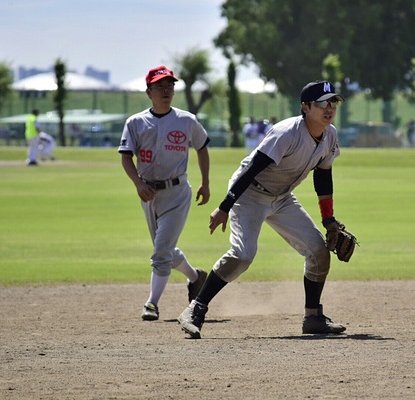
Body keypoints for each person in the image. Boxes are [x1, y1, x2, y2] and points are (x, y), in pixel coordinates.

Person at [178, 80, 348, 339]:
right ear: (305, 107)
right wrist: (225, 207)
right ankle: (195, 309)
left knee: (318, 251)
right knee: (243, 255)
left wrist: (329, 219)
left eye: (333, 102)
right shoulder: (287, 132)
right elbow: (252, 168)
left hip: (281, 197)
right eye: (323, 103)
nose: (330, 108)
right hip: (249, 194)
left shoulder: (330, 135)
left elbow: (323, 178)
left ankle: (313, 317)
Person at [118, 65, 211, 321]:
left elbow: (202, 148)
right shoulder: (136, 123)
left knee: (160, 251)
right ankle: (196, 277)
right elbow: (126, 157)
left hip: (178, 192)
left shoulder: (186, 120)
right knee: (165, 250)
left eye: (169, 85)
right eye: (159, 86)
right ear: (148, 92)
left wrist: (205, 182)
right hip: (148, 193)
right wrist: (138, 184)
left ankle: (151, 304)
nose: (165, 91)